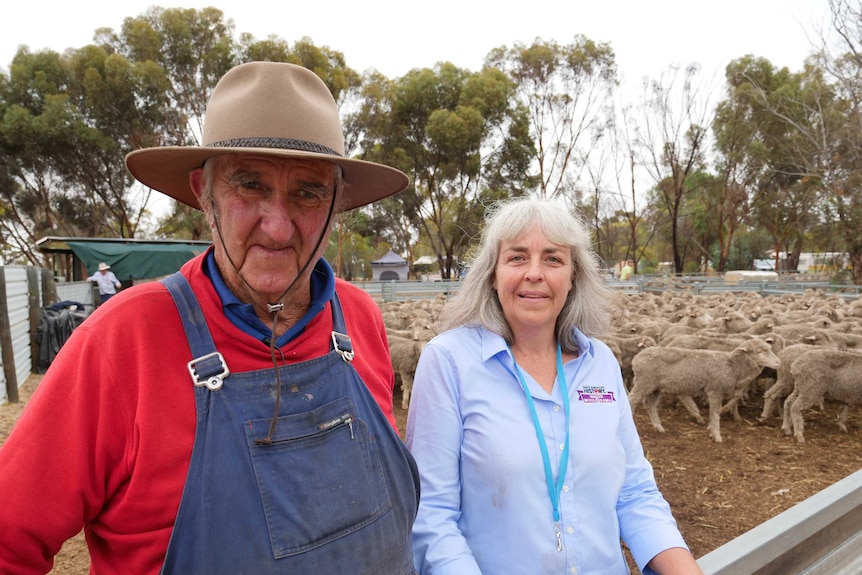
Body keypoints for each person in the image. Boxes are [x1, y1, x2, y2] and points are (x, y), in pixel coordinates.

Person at [0, 62, 419, 574]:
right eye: (249, 185)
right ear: (204, 192)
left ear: (337, 205)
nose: (277, 224)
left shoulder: (358, 317)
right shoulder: (123, 340)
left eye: (307, 192)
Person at [406, 197, 703, 574]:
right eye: (516, 257)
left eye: (552, 258)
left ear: (573, 275)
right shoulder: (449, 362)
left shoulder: (601, 363)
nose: (534, 273)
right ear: (492, 274)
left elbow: (635, 492)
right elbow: (432, 515)